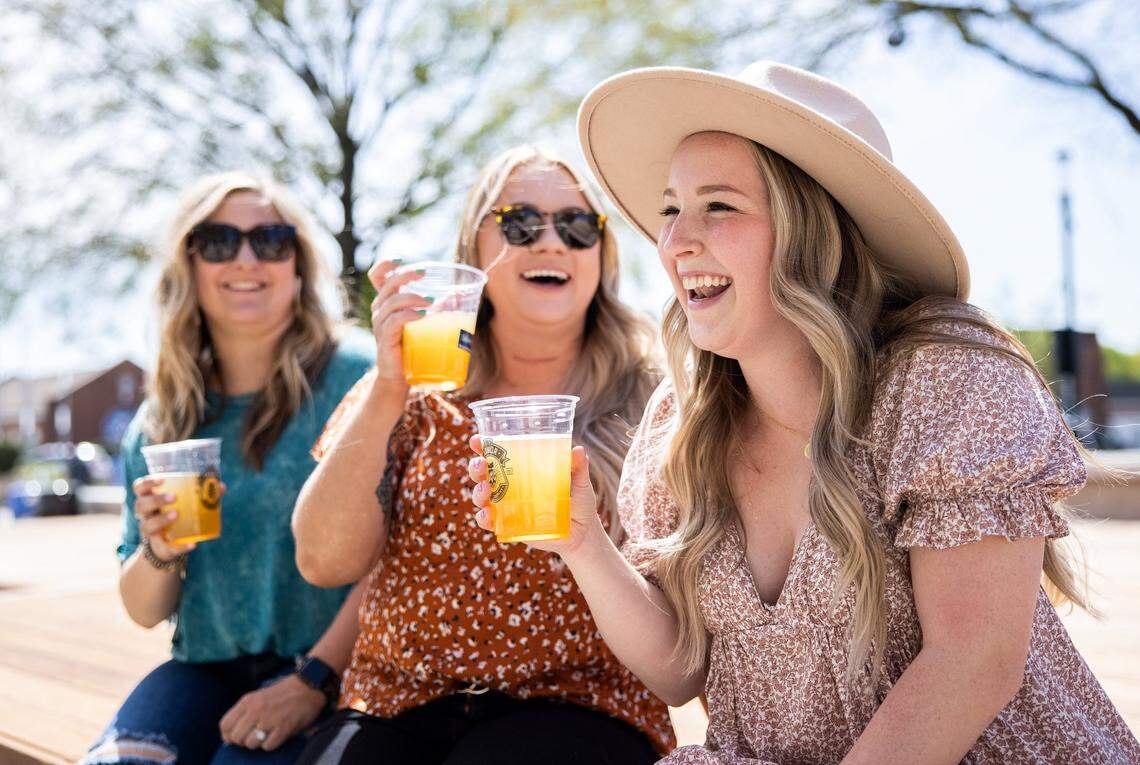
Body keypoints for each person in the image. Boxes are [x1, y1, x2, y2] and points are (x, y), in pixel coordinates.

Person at [470, 62, 1140, 763]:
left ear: (812, 231)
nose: (675, 242)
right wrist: (584, 542)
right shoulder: (684, 420)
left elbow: (973, 661)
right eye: (671, 210)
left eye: (718, 206)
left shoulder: (946, 378)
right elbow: (678, 670)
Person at [291, 145, 673, 764]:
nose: (551, 243)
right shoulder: (412, 386)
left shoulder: (655, 395)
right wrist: (390, 387)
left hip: (579, 707)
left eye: (578, 227)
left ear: (602, 255)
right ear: (474, 249)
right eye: (521, 223)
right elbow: (323, 561)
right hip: (395, 702)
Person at [83, 172, 375, 765]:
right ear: (188, 266)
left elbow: (401, 557)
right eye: (218, 242)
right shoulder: (161, 420)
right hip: (203, 668)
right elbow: (144, 610)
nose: (247, 258)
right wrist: (162, 547)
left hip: (332, 669)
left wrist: (314, 679)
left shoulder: (361, 379)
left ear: (298, 265)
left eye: (271, 240)